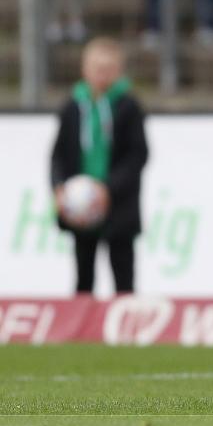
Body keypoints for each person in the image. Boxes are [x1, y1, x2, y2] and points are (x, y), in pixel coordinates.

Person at [51, 37, 149, 295]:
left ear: (118, 72)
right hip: (81, 206)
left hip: (119, 203)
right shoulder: (72, 106)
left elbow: (138, 155)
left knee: (123, 272)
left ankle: (125, 324)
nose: (102, 75)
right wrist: (59, 187)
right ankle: (81, 327)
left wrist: (108, 188)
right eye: (97, 68)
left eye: (108, 69)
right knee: (84, 272)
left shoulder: (128, 107)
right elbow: (57, 155)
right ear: (85, 69)